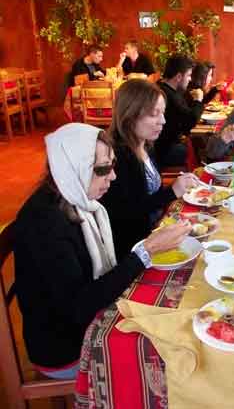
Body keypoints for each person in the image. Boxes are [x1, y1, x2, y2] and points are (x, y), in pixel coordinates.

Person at [13, 123, 192, 379]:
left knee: (172, 314)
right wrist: (146, 251)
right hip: (64, 348)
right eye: (102, 169)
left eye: (112, 166)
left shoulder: (78, 200)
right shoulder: (44, 223)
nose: (113, 176)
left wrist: (146, 251)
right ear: (72, 167)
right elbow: (80, 306)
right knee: (172, 352)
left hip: (82, 321)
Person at [100, 79, 199, 258]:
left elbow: (151, 198)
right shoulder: (117, 156)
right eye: (154, 114)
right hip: (135, 248)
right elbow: (127, 214)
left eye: (162, 113)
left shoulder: (145, 145)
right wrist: (171, 192)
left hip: (154, 232)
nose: (163, 121)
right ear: (130, 116)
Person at [154, 54, 204, 167]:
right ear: (178, 77)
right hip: (164, 150)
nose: (190, 79)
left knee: (198, 143)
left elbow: (185, 114)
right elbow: (190, 122)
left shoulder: (164, 88)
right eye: (189, 75)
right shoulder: (167, 95)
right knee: (201, 152)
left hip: (165, 145)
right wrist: (198, 100)